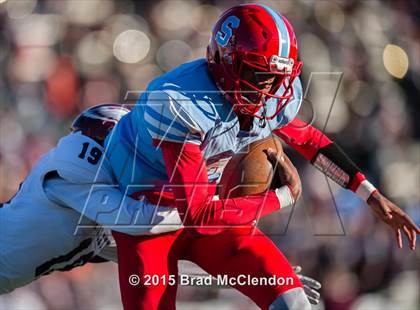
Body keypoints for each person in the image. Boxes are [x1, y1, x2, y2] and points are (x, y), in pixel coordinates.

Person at [105, 4, 419, 310]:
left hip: (214, 214)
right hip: (146, 218)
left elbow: (309, 140)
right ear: (224, 61)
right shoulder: (180, 102)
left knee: (294, 303)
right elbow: (197, 216)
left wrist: (369, 194)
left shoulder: (267, 94)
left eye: (275, 76)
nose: (269, 87)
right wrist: (283, 196)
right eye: (257, 72)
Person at [0, 104, 182, 294]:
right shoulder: (75, 168)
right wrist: (194, 210)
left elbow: (128, 243)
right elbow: (137, 220)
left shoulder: (92, 194)